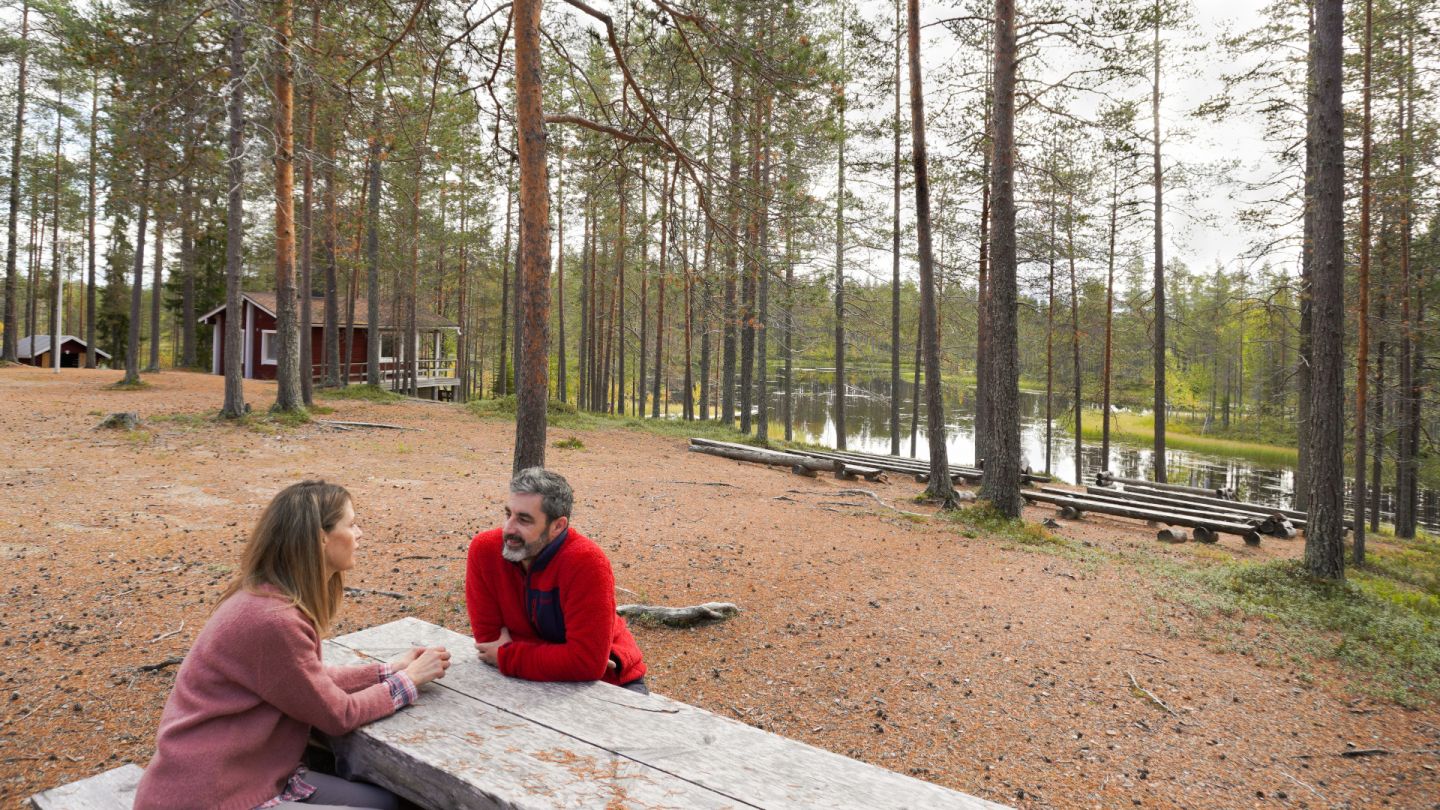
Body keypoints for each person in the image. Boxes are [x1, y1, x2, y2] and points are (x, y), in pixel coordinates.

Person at [134, 480, 451, 810]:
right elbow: (338, 715)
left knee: (384, 801)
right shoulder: (273, 620)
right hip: (210, 796)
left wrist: (389, 670)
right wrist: (409, 680)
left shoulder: (269, 599)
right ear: (321, 537)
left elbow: (305, 681)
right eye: (352, 523)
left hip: (246, 775)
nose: (360, 534)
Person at [466, 468, 648, 693]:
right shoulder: (485, 550)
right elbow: (488, 641)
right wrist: (569, 657)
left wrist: (508, 652)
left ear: (557, 526)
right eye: (508, 514)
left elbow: (585, 664)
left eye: (524, 520)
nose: (508, 529)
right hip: (521, 681)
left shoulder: (586, 562)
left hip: (609, 685)